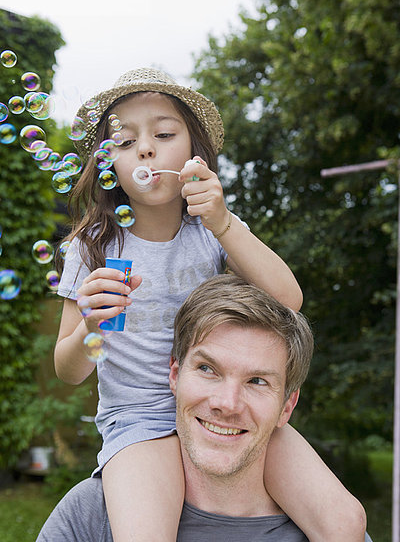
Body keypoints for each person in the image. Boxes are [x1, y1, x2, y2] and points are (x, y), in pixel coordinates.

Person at [52, 68, 363, 542]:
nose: (145, 149)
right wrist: (89, 328)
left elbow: (288, 300)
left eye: (163, 133)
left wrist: (222, 221)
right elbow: (67, 370)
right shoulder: (92, 247)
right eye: (124, 139)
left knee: (345, 523)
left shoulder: (211, 233)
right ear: (108, 161)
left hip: (223, 400)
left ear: (194, 151)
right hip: (139, 418)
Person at [37, 275, 369, 541]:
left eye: (257, 381)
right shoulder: (91, 517)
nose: (227, 403)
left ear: (287, 406)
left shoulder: (332, 527)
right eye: (208, 369)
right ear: (175, 375)